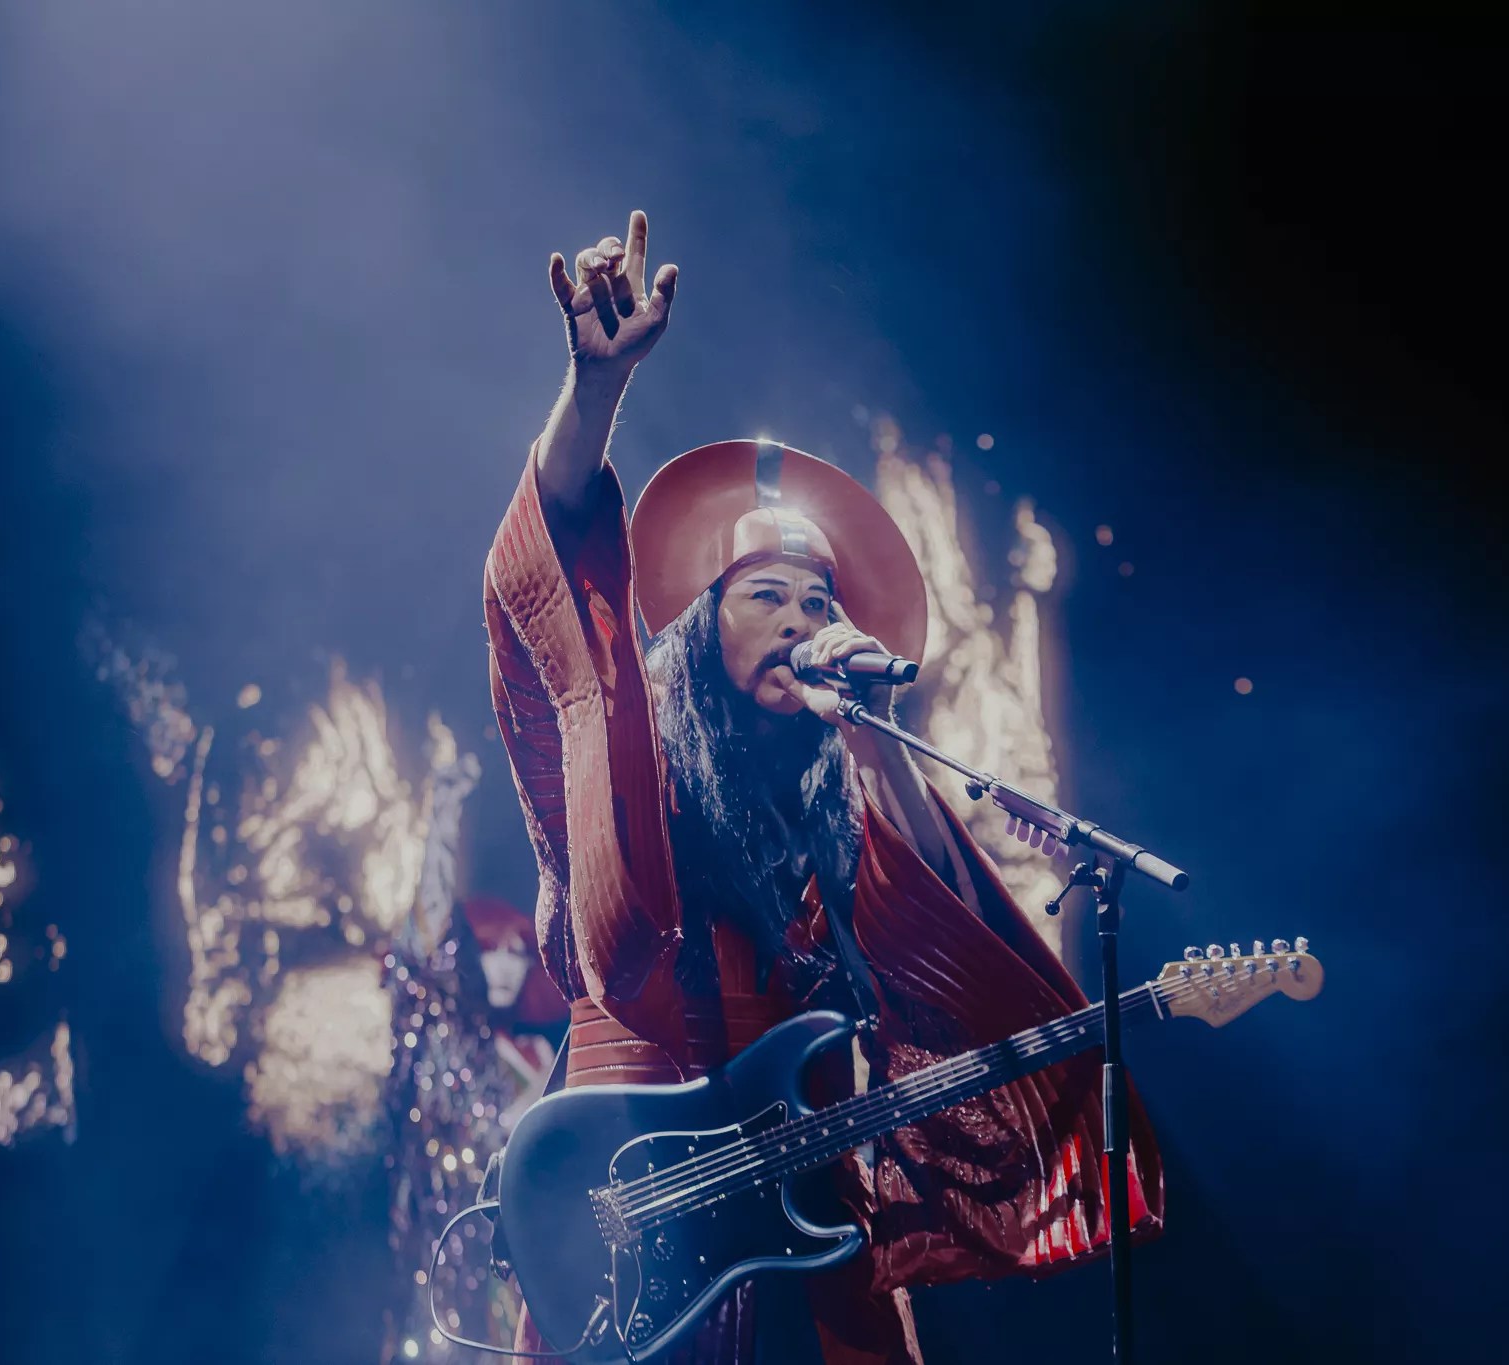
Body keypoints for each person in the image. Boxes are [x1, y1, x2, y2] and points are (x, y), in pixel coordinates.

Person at [483, 211, 1162, 1365]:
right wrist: (592, 391)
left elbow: (949, 963)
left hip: (801, 1246)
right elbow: (553, 615)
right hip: (626, 1236)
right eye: (768, 599)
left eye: (816, 603)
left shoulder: (842, 794)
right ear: (701, 633)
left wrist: (882, 741)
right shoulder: (631, 776)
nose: (802, 623)